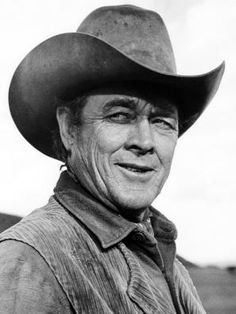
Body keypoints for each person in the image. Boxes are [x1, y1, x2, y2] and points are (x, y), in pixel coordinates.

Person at [0, 5, 224, 314]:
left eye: (162, 122)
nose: (144, 142)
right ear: (68, 129)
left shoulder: (167, 262)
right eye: (119, 115)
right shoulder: (29, 262)